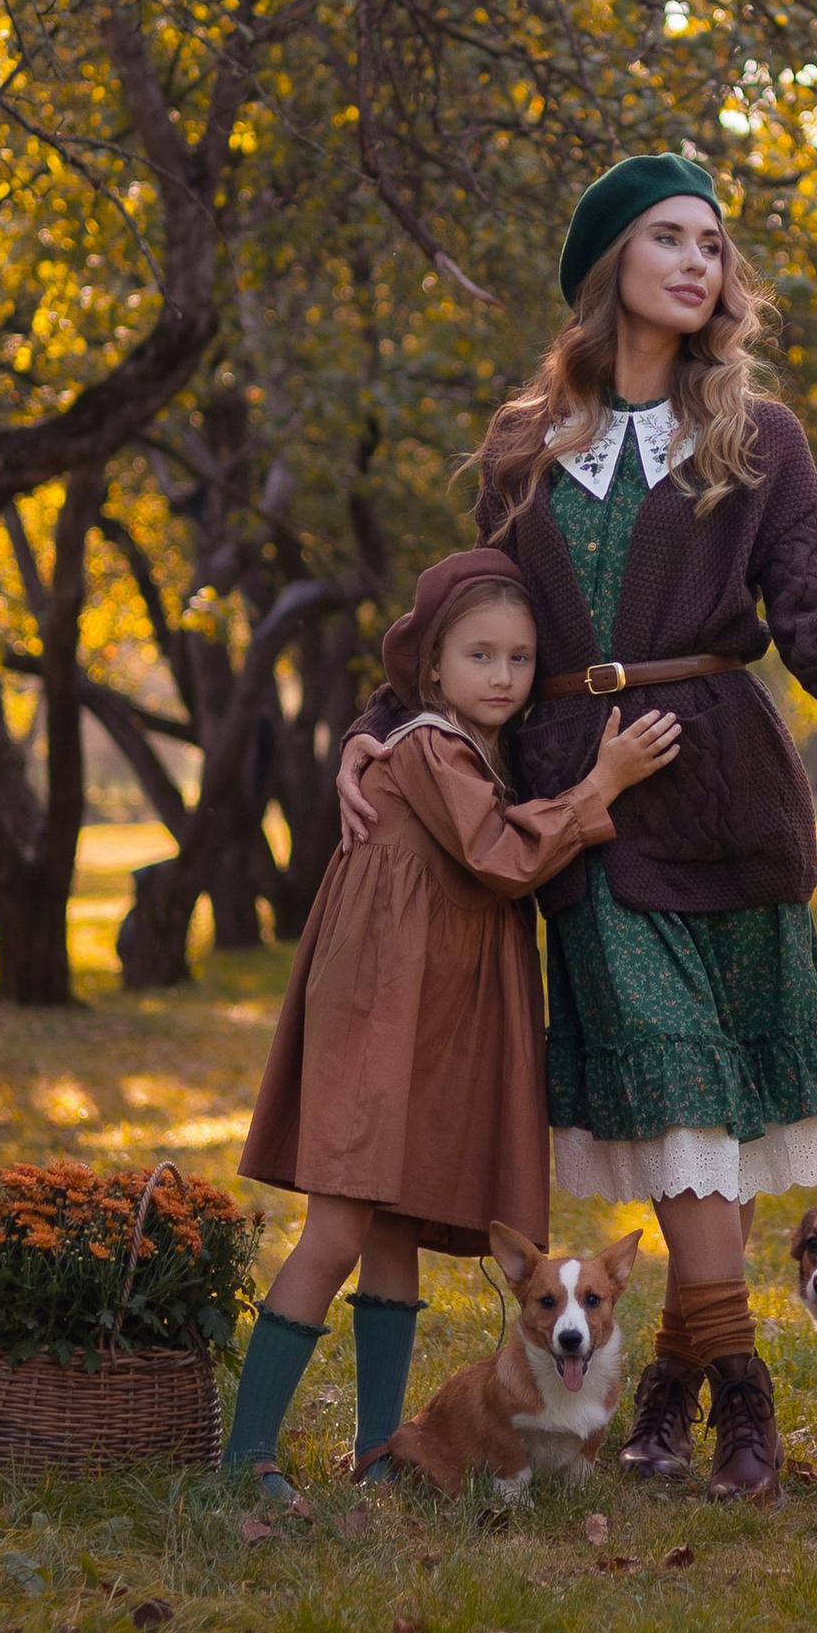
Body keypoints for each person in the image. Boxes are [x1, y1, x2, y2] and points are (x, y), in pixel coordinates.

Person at [337, 152, 817, 1497]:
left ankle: (669, 1395)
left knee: (714, 1122)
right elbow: (471, 615)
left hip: (726, 795)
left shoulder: (758, 438)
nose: (698, 263)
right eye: (670, 237)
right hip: (590, 807)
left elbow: (816, 620)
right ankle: (743, 1403)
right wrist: (380, 725)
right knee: (670, 1099)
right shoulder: (524, 444)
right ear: (610, 264)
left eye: (714, 246)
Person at [225, 548, 680, 1478]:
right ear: (431, 664)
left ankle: (379, 1450)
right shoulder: (429, 746)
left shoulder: (474, 749)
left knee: (395, 1227)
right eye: (480, 655)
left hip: (426, 1010)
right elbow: (501, 857)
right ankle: (247, 1457)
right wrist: (604, 783)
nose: (503, 676)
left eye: (519, 658)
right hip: (378, 1007)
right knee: (338, 1231)